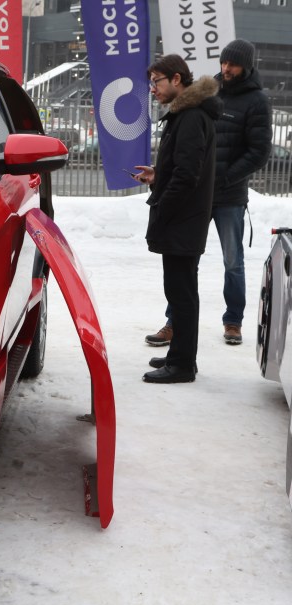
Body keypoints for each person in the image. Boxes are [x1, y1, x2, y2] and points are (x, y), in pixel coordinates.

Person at [144, 39, 272, 347]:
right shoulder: (209, 91)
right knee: (186, 263)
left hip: (229, 194)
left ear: (247, 66)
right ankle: (173, 324)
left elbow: (259, 152)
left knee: (233, 261)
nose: (226, 69)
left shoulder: (257, 100)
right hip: (196, 191)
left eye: (233, 64)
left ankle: (233, 321)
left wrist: (224, 177)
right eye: (223, 63)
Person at [134, 55, 222, 383]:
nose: (152, 89)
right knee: (180, 291)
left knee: (181, 293)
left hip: (182, 219)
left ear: (175, 79)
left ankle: (183, 365)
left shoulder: (190, 117)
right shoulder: (186, 115)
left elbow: (187, 176)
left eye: (156, 81)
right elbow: (181, 169)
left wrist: (163, 210)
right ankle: (181, 356)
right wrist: (158, 175)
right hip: (184, 218)